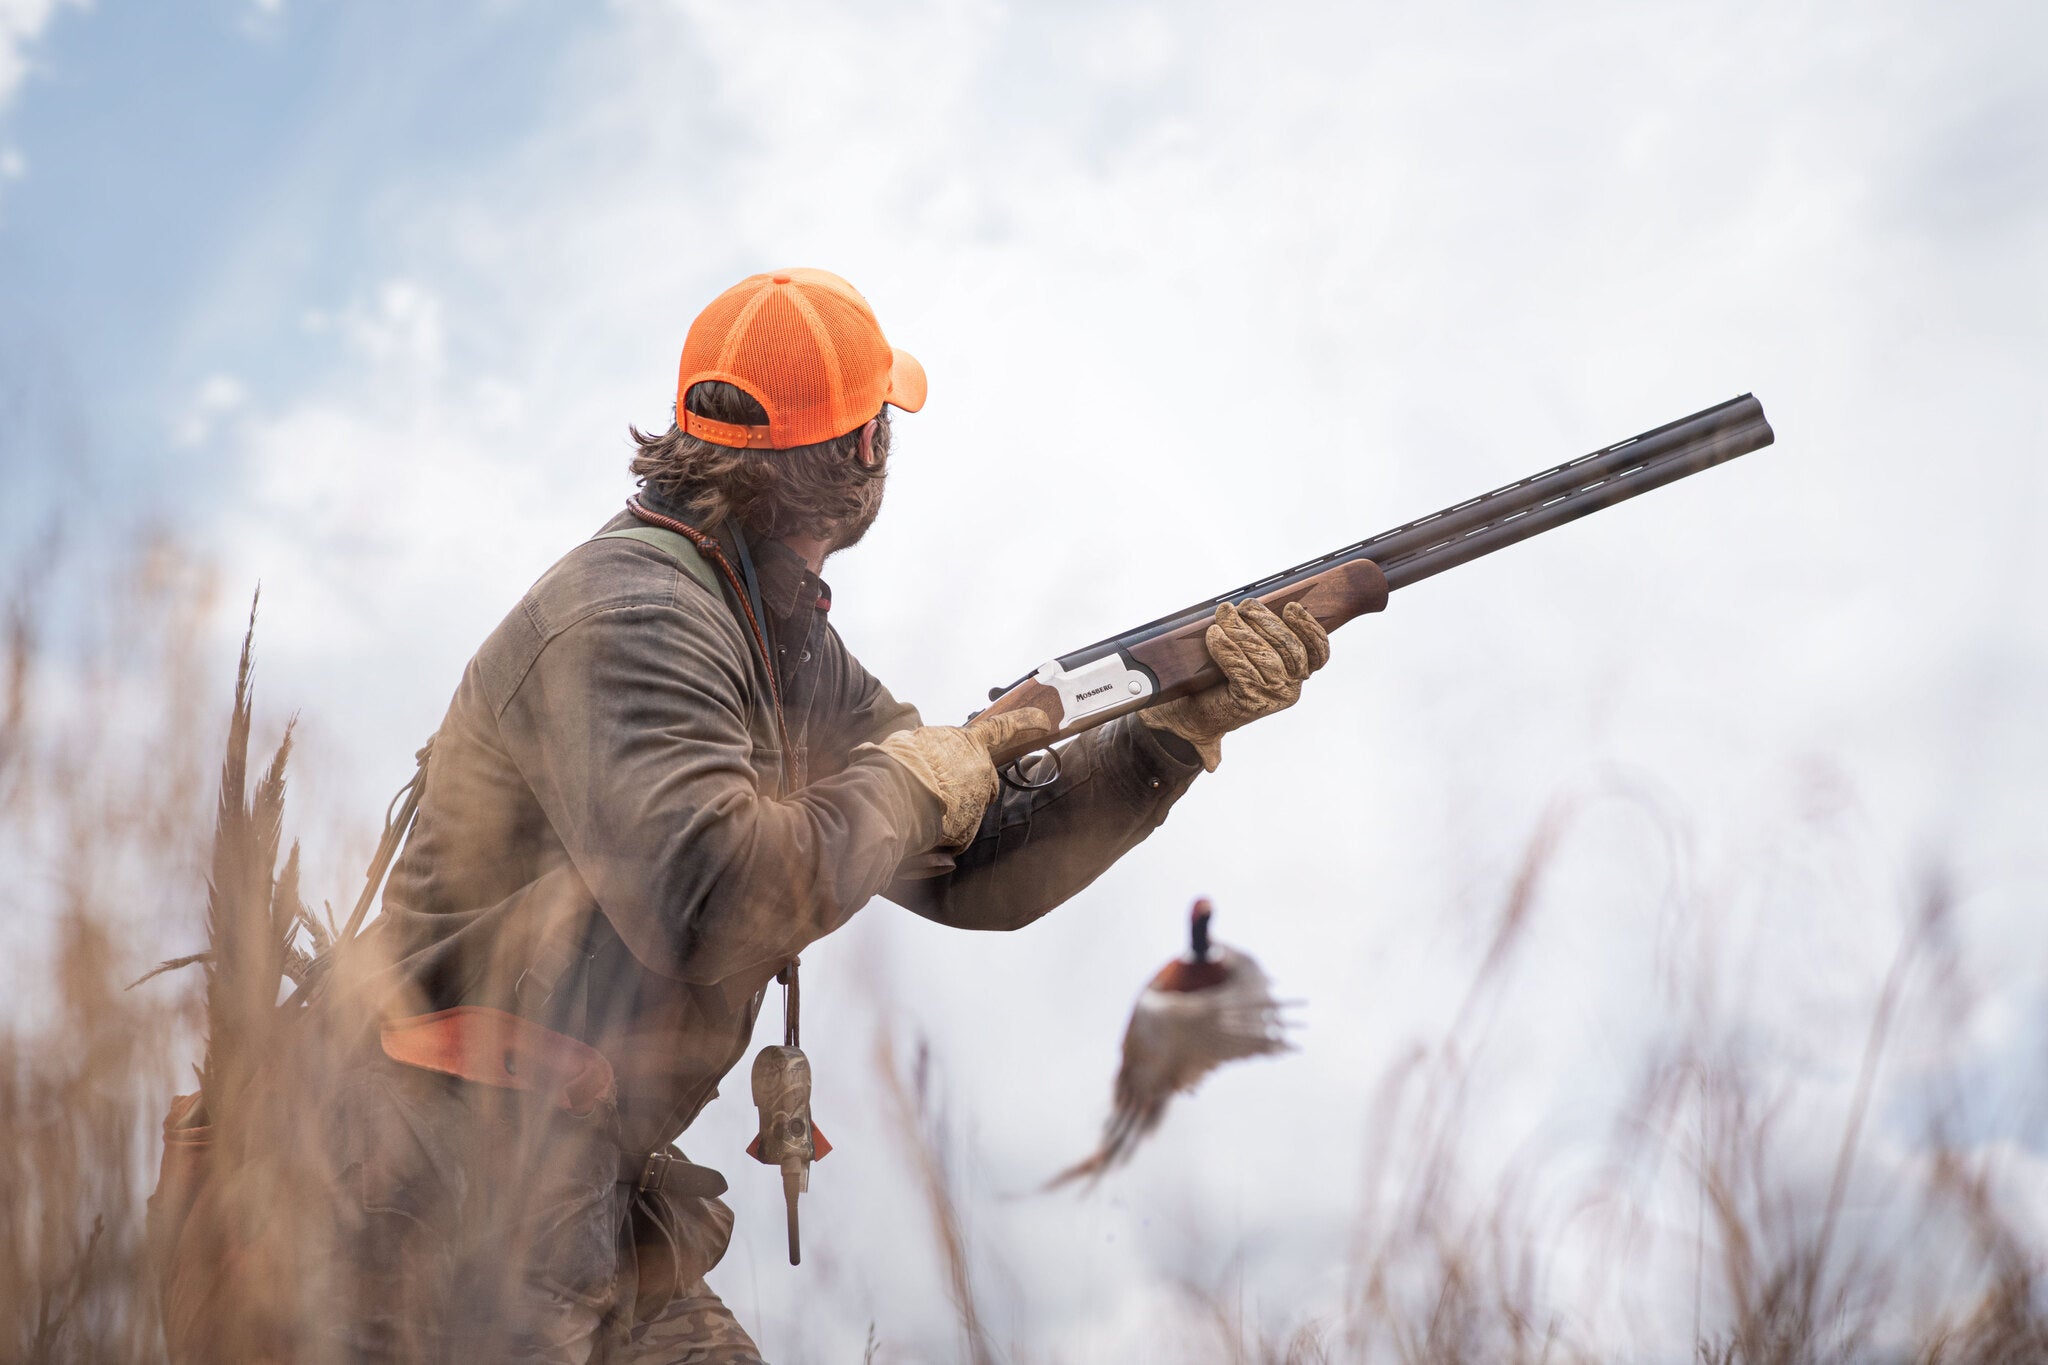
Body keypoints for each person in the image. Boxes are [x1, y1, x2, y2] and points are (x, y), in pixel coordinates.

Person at [263, 267, 1332, 1363]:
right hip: (434, 1191)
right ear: (867, 448)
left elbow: (972, 867)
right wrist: (912, 784)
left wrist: (1166, 737)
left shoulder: (777, 639)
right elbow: (710, 900)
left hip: (571, 1186)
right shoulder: (633, 614)